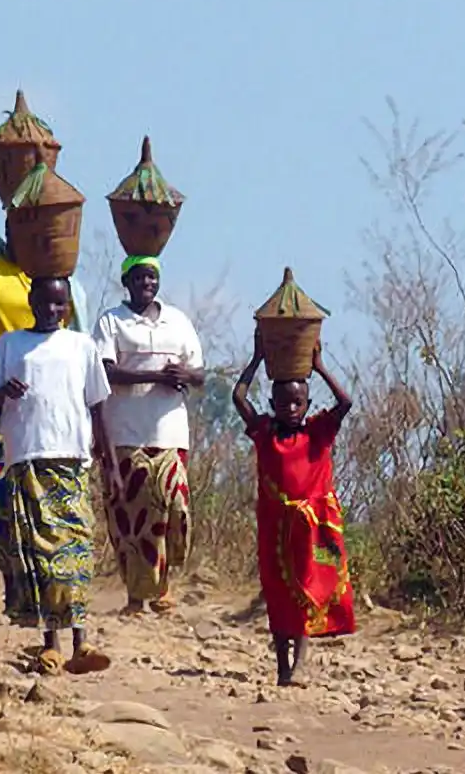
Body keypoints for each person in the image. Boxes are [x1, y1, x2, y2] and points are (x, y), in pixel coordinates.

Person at [0, 163, 90, 615]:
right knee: (2, 510)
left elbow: (82, 353)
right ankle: (14, 579)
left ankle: (45, 595)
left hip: (49, 421)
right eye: (18, 221)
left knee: (53, 515)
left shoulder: (65, 284)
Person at [0, 276, 113, 675]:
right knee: (39, 556)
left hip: (71, 460)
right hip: (27, 459)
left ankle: (81, 642)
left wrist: (109, 460)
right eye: (45, 303)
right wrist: (5, 393)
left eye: (60, 304)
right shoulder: (11, 345)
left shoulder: (82, 346)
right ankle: (50, 643)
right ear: (31, 301)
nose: (52, 311)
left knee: (75, 553)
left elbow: (98, 406)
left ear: (68, 306)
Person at [232, 338, 356, 687]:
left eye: (298, 402)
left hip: (314, 528)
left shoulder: (319, 432)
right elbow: (239, 399)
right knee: (278, 594)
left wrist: (319, 367)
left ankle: (300, 664)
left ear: (307, 404)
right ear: (272, 404)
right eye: (283, 402)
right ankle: (282, 666)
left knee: (307, 589)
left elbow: (345, 402)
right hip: (275, 528)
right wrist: (257, 357)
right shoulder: (265, 433)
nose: (291, 408)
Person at [92, 255, 205, 616]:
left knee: (173, 510)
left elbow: (200, 373)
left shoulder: (178, 322)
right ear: (126, 282)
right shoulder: (112, 321)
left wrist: (182, 374)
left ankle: (165, 583)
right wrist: (155, 377)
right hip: (126, 431)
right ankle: (138, 597)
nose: (146, 284)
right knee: (132, 517)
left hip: (170, 432)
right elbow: (105, 371)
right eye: (139, 277)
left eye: (152, 277)